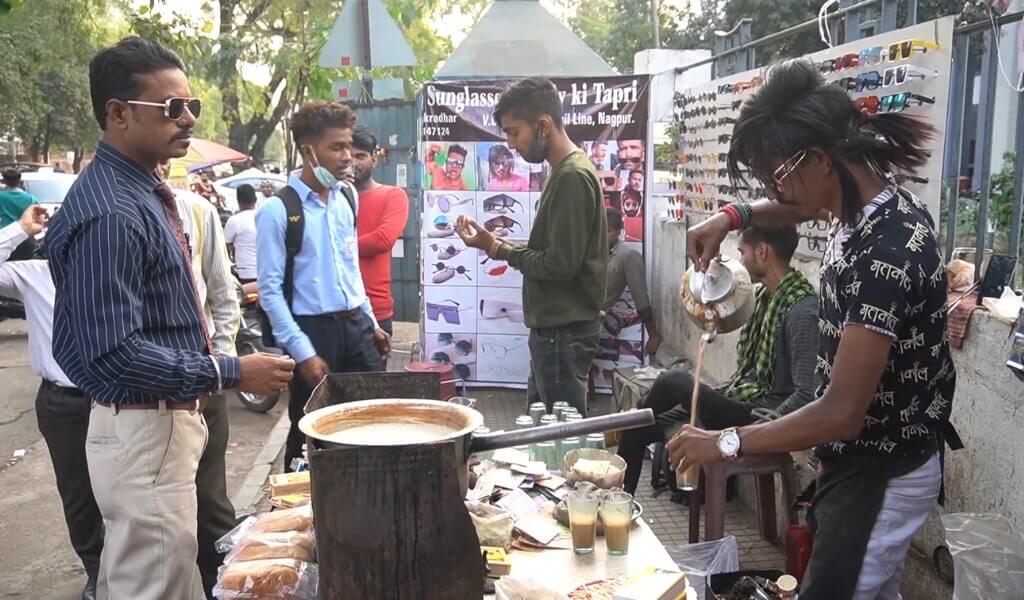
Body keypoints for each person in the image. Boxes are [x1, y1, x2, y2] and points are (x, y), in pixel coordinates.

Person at [669, 59, 959, 600]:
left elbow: (840, 412)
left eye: (777, 175)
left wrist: (724, 441)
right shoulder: (861, 204)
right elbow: (791, 210)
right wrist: (731, 217)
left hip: (880, 468)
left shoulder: (885, 253)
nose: (773, 190)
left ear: (821, 160)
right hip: (862, 458)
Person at [46, 36, 294, 600]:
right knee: (155, 584)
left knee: (151, 574)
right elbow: (112, 351)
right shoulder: (111, 210)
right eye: (171, 108)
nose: (186, 120)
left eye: (192, 107)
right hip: (144, 425)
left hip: (152, 424)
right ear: (118, 114)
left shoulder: (140, 192)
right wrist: (231, 372)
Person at [617, 224, 818, 495]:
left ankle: (641, 409)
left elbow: (805, 394)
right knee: (636, 425)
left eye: (742, 252)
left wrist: (755, 433)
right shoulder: (764, 298)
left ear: (762, 252)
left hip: (759, 414)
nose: (740, 261)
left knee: (674, 380)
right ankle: (617, 505)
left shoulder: (802, 309)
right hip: (737, 398)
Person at [455, 77, 606, 416]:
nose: (510, 144)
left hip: (563, 335)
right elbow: (556, 252)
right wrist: (494, 243)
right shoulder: (562, 172)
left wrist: (498, 249)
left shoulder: (571, 177)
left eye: (513, 132)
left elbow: (560, 265)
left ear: (542, 126)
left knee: (559, 438)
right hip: (555, 333)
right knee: (542, 430)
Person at [257, 101, 391, 472]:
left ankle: (369, 501)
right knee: (310, 436)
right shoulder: (277, 210)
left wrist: (371, 323)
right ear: (308, 151)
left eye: (349, 146)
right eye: (337, 147)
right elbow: (269, 292)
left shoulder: (346, 198)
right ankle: (298, 513)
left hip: (356, 327)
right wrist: (303, 353)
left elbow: (351, 271)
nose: (347, 157)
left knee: (372, 421)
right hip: (312, 334)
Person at [1, 205, 103, 600]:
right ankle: (96, 570)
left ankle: (125, 566)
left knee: (127, 490)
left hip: (115, 396)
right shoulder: (33, 275)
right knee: (78, 494)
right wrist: (20, 229)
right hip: (63, 405)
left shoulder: (109, 273)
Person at [161, 159, 242, 598]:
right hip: (152, 390)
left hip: (204, 380)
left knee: (211, 500)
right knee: (164, 516)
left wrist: (224, 366)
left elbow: (222, 293)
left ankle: (223, 583)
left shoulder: (196, 210)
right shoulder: (116, 210)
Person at [351, 125, 409, 338]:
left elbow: (382, 240)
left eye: (360, 156)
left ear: (373, 159)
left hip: (375, 310)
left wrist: (331, 247)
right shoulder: (330, 199)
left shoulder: (393, 195)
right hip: (332, 311)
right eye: (348, 155)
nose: (353, 162)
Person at [603, 207, 662, 356]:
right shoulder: (588, 253)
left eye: (607, 231)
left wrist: (653, 335)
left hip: (588, 325)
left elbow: (640, 298)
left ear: (617, 232)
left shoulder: (627, 257)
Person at [224, 183, 259, 283]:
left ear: (238, 201)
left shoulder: (234, 221)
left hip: (245, 274)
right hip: (268, 271)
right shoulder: (264, 216)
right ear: (255, 200)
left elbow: (225, 247)